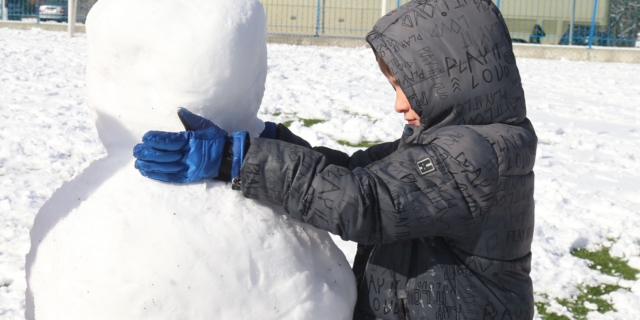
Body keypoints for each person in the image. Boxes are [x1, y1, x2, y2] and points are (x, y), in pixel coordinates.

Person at [133, 1, 537, 319]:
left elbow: (366, 202)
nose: (398, 105)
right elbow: (356, 172)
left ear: (454, 80)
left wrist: (239, 160)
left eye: (408, 88)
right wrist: (272, 141)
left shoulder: (478, 156)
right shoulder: (443, 140)